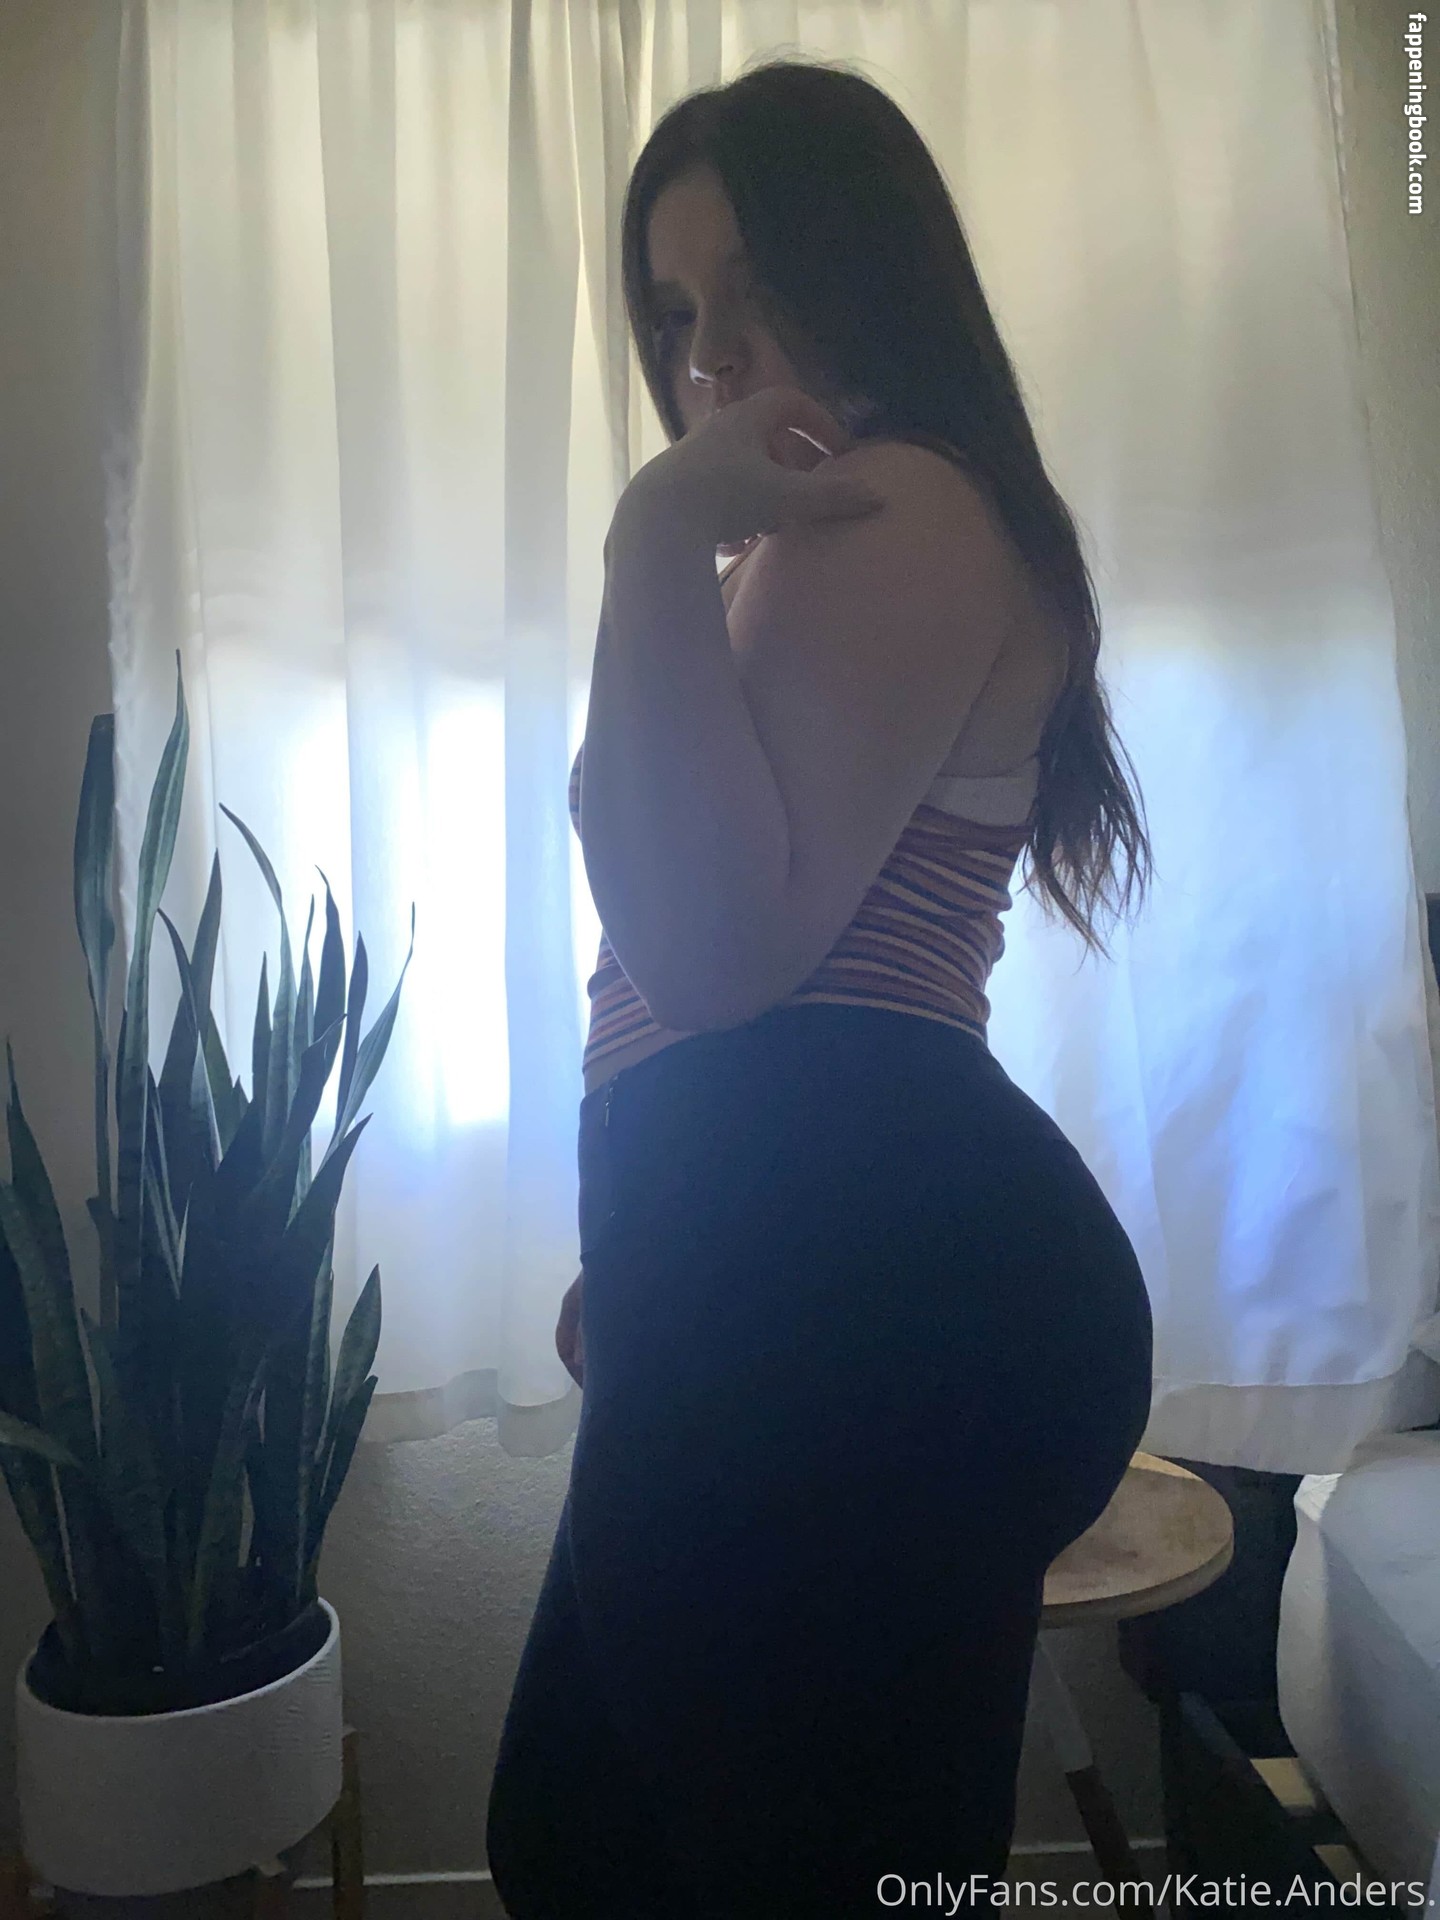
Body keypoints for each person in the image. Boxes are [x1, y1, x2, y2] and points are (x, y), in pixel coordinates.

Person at [487, 53, 1155, 1919]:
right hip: (808, 1254)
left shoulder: (896, 503)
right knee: (588, 1832)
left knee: (674, 1857)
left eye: (755, 288)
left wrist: (649, 535)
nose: (708, 352)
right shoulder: (826, 535)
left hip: (869, 1281)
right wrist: (660, 1252)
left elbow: (714, 957)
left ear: (872, 275)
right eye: (673, 310)